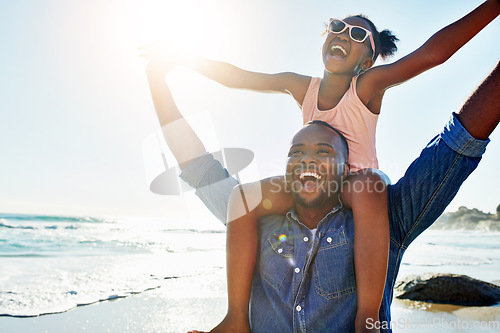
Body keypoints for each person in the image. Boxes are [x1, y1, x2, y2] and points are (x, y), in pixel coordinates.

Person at [141, 1, 500, 331]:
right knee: (242, 198)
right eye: (338, 27)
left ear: (367, 60)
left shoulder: (367, 85)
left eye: (358, 35)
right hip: (310, 186)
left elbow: (433, 55)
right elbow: (240, 77)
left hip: (356, 185)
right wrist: (182, 59)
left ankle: (369, 318)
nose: (344, 34)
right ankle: (236, 317)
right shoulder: (302, 86)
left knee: (371, 185)